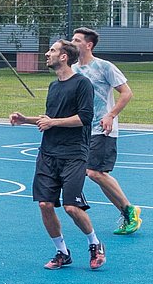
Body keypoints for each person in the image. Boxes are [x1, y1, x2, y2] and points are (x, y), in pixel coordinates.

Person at [9, 39, 105, 270]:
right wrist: (26, 120)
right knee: (45, 205)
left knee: (72, 207)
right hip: (48, 153)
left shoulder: (82, 84)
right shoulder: (54, 86)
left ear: (64, 57)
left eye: (52, 50)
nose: (47, 53)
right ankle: (62, 252)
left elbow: (84, 118)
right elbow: (49, 118)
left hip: (73, 154)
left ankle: (94, 244)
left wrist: (53, 122)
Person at [70, 27, 141, 235]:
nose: (72, 42)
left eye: (76, 40)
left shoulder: (104, 67)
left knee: (95, 172)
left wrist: (110, 115)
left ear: (88, 45)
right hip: (81, 130)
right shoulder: (73, 70)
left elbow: (126, 93)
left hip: (102, 128)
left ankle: (129, 209)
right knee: (91, 173)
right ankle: (127, 211)